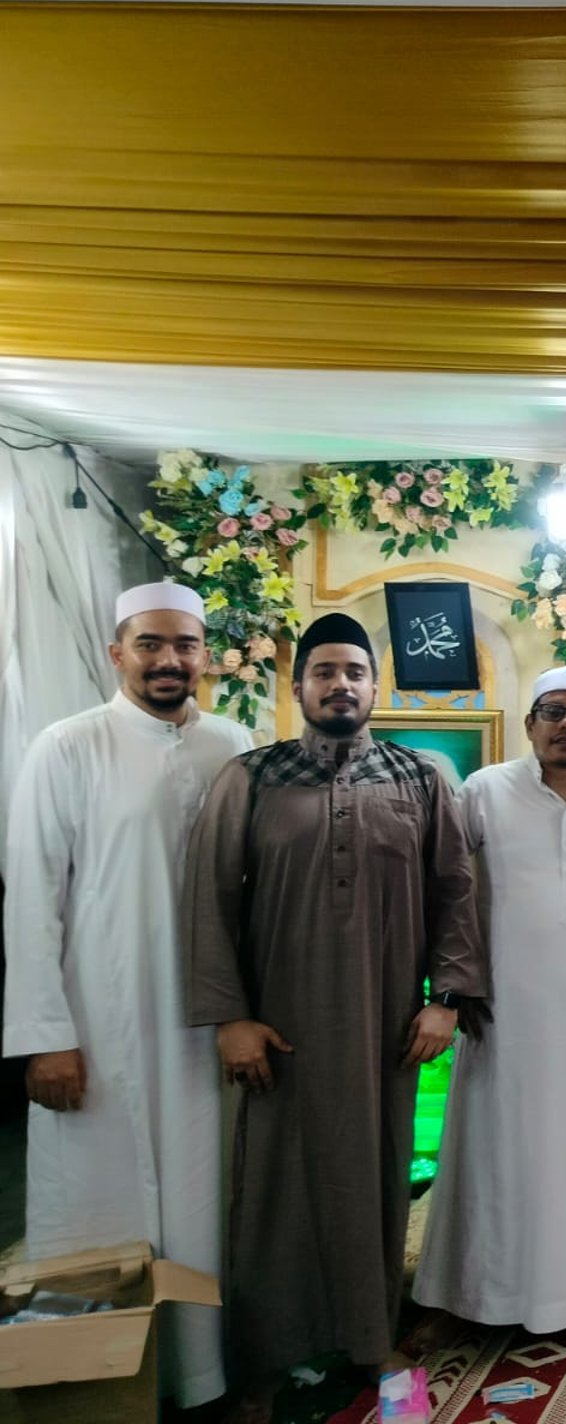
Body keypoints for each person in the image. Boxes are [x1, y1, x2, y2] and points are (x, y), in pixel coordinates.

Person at [184, 611, 486, 1417]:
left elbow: (456, 892)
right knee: (275, 1183)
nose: (340, 684)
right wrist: (230, 1017)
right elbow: (209, 901)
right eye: (325, 671)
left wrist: (445, 1001)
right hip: (281, 1022)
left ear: (375, 686)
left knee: (376, 1176)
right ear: (299, 686)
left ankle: (367, 1334)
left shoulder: (420, 778)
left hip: (387, 1022)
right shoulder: (251, 778)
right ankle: (266, 1357)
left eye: (355, 671)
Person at [2, 581, 250, 1410]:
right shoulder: (66, 747)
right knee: (99, 1201)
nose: (169, 660)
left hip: (205, 1026)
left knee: (204, 1193)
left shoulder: (233, 744)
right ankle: (94, 1379)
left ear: (205, 655)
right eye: (150, 644)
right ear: (118, 653)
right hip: (100, 1025)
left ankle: (203, 1375)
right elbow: (34, 898)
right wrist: (45, 1036)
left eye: (185, 645)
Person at [414, 667, 566, 1334]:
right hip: (505, 1010)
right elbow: (449, 892)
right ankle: (482, 1299)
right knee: (496, 1152)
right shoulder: (484, 791)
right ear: (531, 723)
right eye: (552, 711)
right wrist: (451, 989)